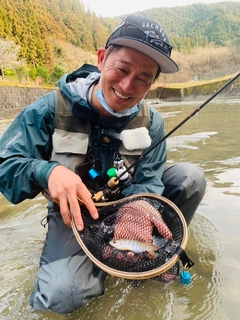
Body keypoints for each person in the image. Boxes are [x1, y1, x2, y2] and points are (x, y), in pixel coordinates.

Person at [0, 14, 206, 314]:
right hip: (76, 212)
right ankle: (82, 263)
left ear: (152, 84)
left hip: (129, 204)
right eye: (122, 69)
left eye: (143, 79)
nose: (127, 86)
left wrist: (142, 205)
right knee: (61, 297)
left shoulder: (152, 122)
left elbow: (150, 178)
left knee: (191, 177)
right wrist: (47, 172)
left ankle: (151, 255)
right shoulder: (50, 109)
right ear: (101, 59)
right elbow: (5, 164)